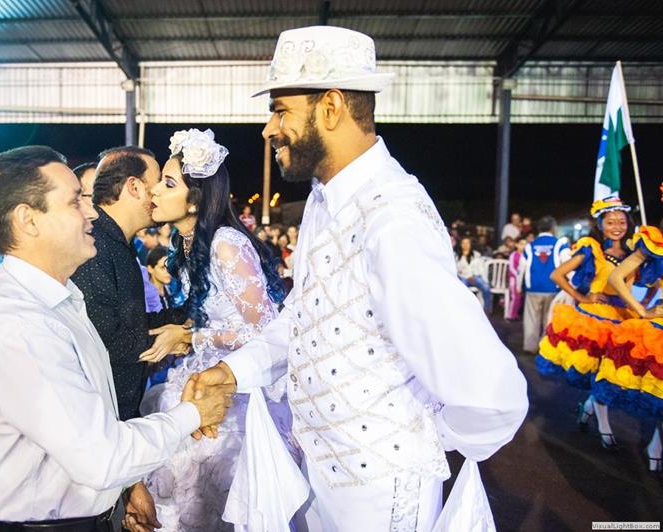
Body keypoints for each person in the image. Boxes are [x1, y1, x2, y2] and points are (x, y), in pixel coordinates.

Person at [184, 26, 528, 531]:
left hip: (380, 495)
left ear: (331, 107)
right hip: (319, 477)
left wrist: (425, 435)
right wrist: (235, 371)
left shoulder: (393, 219)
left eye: (280, 110)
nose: (268, 129)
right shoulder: (325, 201)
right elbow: (304, 318)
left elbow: (492, 396)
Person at [0, 145, 233, 530]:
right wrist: (194, 414)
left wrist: (126, 488)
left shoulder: (59, 298)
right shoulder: (18, 325)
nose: (92, 212)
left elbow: (91, 421)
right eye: (75, 202)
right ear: (28, 220)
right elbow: (102, 457)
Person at [141, 128, 294, 531]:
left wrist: (192, 338)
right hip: (200, 379)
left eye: (168, 183)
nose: (155, 190)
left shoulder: (226, 243)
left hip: (234, 394)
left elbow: (268, 333)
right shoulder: (187, 242)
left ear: (195, 200)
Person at [71, 146, 189, 421]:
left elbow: (131, 323)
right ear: (134, 187)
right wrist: (177, 338)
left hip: (121, 406)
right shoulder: (94, 245)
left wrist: (189, 315)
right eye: (157, 182)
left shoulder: (119, 243)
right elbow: (105, 340)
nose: (159, 192)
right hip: (101, 415)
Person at [535, 199, 633, 450]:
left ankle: (588, 408)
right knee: (600, 373)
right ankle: (605, 428)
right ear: (601, 225)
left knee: (612, 375)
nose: (617, 227)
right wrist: (582, 297)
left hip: (624, 319)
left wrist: (643, 307)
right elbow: (557, 274)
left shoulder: (634, 253)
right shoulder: (592, 249)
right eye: (611, 222)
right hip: (596, 319)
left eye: (621, 222)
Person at [596, 185, 663, 471]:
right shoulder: (655, 241)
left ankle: (655, 444)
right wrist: (642, 310)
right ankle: (655, 446)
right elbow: (616, 276)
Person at [519, 215, 570, 353]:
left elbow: (521, 269)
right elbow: (568, 264)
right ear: (553, 228)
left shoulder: (529, 246)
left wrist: (519, 287)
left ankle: (530, 346)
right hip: (553, 287)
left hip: (533, 288)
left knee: (531, 319)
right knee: (549, 319)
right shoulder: (559, 244)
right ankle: (545, 347)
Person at [455, 236, 492, 310]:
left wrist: (475, 277)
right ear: (460, 244)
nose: (465, 245)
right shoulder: (457, 256)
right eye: (463, 243)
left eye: (467, 243)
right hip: (463, 277)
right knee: (461, 289)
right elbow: (456, 270)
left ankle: (486, 309)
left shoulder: (476, 255)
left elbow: (481, 269)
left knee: (486, 288)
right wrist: (466, 276)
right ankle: (462, 309)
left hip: (475, 277)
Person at [506, 238, 526, 320]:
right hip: (514, 279)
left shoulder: (525, 256)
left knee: (520, 297)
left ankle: (515, 314)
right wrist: (518, 275)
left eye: (525, 244)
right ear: (516, 245)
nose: (523, 246)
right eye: (521, 244)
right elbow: (511, 268)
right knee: (515, 297)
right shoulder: (513, 255)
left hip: (522, 279)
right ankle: (510, 315)